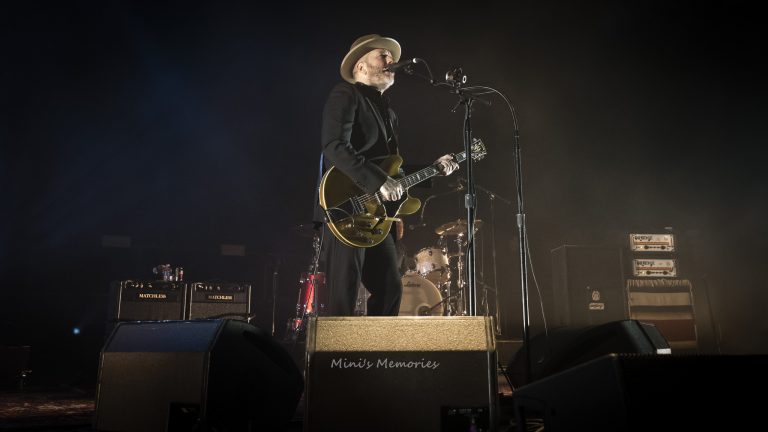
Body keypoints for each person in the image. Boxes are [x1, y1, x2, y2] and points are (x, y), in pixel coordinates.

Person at [314, 34, 459, 316]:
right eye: (383, 55)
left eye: (391, 57)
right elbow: (334, 146)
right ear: (360, 67)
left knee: (391, 287)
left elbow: (393, 170)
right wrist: (379, 181)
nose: (391, 61)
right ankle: (339, 359)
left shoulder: (389, 114)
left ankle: (377, 355)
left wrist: (434, 168)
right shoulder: (346, 94)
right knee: (344, 292)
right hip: (344, 207)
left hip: (377, 217)